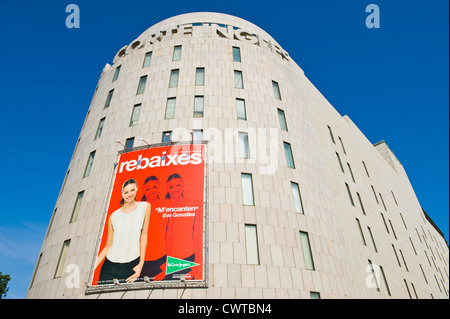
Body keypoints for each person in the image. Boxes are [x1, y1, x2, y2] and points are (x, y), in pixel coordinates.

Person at [94, 179, 151, 284]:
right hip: (109, 268)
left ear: (137, 189)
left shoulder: (145, 207)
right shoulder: (113, 216)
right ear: (122, 194)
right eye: (126, 192)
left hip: (131, 266)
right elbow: (108, 245)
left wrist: (140, 264)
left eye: (132, 190)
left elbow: (144, 235)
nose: (129, 194)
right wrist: (91, 269)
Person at [164, 173, 202, 280]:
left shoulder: (194, 203)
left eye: (178, 185)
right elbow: (167, 234)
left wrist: (197, 262)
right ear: (167, 188)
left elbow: (197, 233)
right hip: (163, 261)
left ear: (183, 185)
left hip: (187, 258)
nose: (175, 189)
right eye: (171, 187)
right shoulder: (164, 205)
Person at [140, 176, 168, 281]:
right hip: (140, 261)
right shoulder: (139, 208)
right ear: (143, 190)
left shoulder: (166, 205)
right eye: (148, 189)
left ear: (159, 187)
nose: (151, 191)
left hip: (161, 259)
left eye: (154, 187)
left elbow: (170, 233)